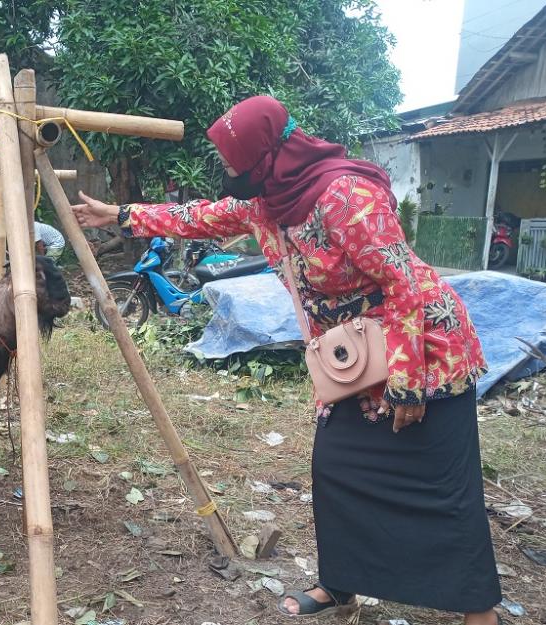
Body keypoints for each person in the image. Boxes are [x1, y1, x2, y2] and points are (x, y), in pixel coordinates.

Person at [72, 96, 501, 625]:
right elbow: (200, 215)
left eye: (233, 160)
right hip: (354, 361)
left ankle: (478, 607)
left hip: (422, 350)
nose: (227, 171)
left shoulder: (346, 196)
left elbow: (404, 284)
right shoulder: (269, 200)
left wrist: (408, 383)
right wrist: (119, 215)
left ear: (266, 154)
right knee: (337, 468)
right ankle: (342, 583)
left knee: (441, 482)